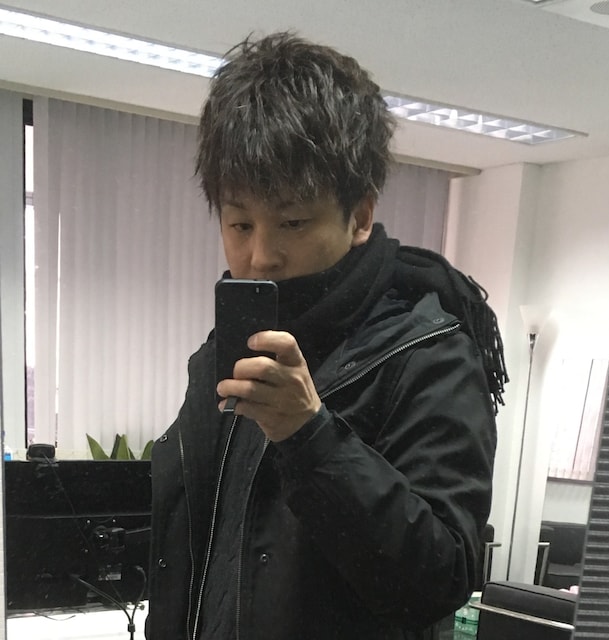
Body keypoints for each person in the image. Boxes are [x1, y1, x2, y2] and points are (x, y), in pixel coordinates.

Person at [147, 32, 507, 640]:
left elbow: (440, 579)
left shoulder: (428, 355)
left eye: (291, 222)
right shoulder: (223, 352)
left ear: (359, 216)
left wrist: (308, 436)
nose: (260, 256)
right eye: (239, 224)